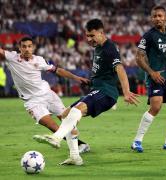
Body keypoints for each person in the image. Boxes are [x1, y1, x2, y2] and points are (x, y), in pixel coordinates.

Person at [34, 19, 139, 165]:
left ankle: (57, 137)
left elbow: (120, 68)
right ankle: (75, 156)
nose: (89, 39)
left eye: (92, 35)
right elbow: (103, 71)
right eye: (87, 36)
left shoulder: (109, 48)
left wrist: (126, 92)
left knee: (78, 109)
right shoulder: (98, 48)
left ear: (101, 32)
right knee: (65, 115)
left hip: (106, 92)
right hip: (97, 88)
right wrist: (91, 80)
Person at [0, 36, 90, 154]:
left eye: (29, 46)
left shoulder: (39, 60)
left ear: (33, 48)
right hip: (32, 101)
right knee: (50, 125)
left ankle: (78, 146)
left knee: (66, 120)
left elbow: (57, 70)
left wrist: (76, 77)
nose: (27, 49)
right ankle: (79, 145)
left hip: (48, 95)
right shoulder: (12, 57)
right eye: (24, 46)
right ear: (19, 48)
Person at [131, 6, 166, 153]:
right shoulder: (148, 36)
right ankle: (137, 141)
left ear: (165, 17)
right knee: (156, 106)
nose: (157, 18)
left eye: (160, 16)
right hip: (155, 76)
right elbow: (138, 58)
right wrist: (151, 73)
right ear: (152, 19)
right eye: (154, 16)